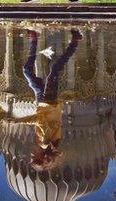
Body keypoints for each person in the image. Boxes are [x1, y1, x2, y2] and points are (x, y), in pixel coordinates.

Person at [14, 28, 82, 171]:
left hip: (43, 103)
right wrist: (18, 121)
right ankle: (75, 41)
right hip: (47, 102)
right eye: (34, 157)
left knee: (29, 71)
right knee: (54, 70)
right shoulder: (45, 143)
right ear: (41, 156)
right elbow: (40, 119)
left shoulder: (52, 144)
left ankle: (34, 38)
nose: (31, 155)